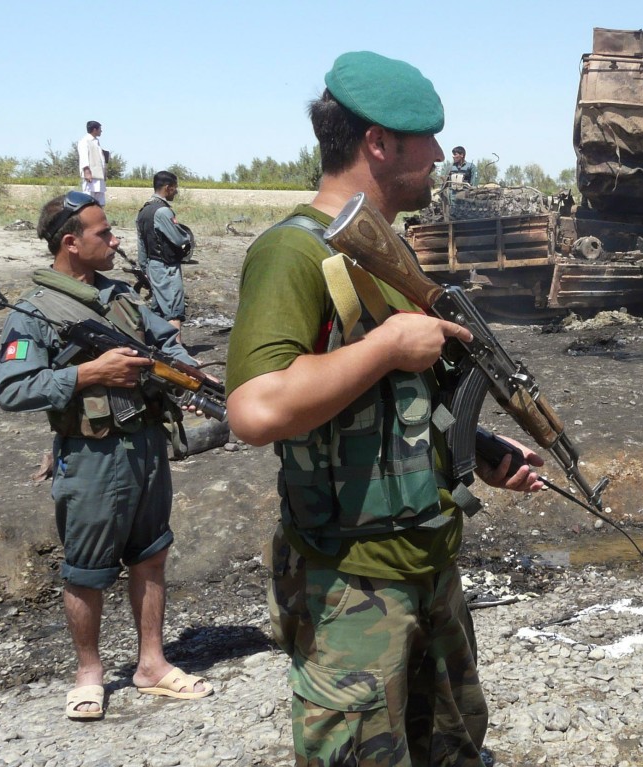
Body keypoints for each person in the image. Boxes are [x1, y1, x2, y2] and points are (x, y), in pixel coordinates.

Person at [225, 50, 544, 767]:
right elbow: (253, 409)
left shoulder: (384, 248)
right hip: (352, 580)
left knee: (457, 745)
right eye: (422, 140)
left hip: (429, 560)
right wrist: (389, 345)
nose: (437, 155)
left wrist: (485, 452)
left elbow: (408, 395)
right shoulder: (292, 254)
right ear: (376, 142)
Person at [0, 192, 213, 722]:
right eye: (103, 233)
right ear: (71, 243)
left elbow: (165, 341)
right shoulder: (33, 312)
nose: (115, 239)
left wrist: (192, 375)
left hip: (143, 445)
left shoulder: (120, 297)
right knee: (86, 571)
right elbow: (12, 389)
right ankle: (88, 674)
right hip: (89, 457)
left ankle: (152, 665)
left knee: (151, 553)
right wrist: (89, 374)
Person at [136, 171, 194, 341]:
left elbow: (141, 245)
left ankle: (158, 348)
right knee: (174, 311)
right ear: (168, 188)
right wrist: (187, 237)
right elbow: (179, 239)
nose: (176, 191)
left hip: (153, 267)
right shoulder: (163, 212)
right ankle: (180, 355)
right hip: (167, 267)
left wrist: (144, 268)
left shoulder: (143, 211)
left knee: (158, 309)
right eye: (175, 188)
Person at [78, 121, 108, 206]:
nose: (101, 131)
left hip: (99, 176)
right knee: (88, 200)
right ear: (95, 129)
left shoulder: (96, 142)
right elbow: (84, 157)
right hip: (91, 176)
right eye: (100, 129)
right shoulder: (85, 141)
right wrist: (86, 171)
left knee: (100, 202)